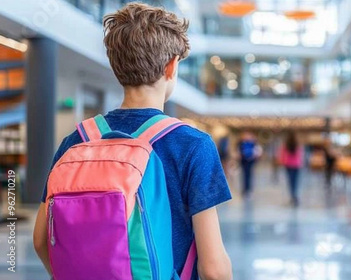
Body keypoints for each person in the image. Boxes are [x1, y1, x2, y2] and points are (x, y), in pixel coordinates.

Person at [33, 3, 232, 280]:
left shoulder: (76, 141)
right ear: (171, 66)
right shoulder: (193, 144)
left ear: (116, 66)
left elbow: (42, 240)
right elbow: (213, 268)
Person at [280, 132, 304, 207]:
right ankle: (295, 196)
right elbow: (300, 155)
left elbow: (282, 155)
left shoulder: (285, 145)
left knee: (290, 181)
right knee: (295, 181)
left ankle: (293, 196)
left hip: (288, 165)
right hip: (296, 165)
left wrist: (283, 162)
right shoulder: (298, 145)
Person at [239, 131, 260, 197]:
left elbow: (257, 151)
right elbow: (239, 151)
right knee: (244, 175)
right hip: (244, 161)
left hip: (250, 161)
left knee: (249, 175)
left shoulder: (253, 143)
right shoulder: (241, 143)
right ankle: (245, 189)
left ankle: (248, 189)